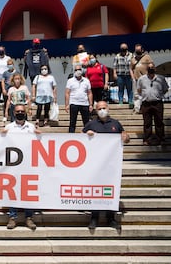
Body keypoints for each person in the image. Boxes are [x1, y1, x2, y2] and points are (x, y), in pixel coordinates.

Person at [83, 101, 130, 229]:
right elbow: (80, 141)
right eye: (99, 109)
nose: (102, 110)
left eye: (104, 108)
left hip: (111, 165)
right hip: (96, 164)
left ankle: (111, 218)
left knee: (111, 190)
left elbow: (126, 137)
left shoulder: (115, 124)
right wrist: (87, 135)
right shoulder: (91, 124)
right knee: (95, 190)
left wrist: (125, 137)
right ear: (96, 111)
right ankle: (94, 217)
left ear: (108, 108)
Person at [1, 104, 41, 230]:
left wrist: (39, 135)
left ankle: (29, 217)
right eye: (17, 111)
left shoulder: (31, 127)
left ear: (26, 112)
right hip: (13, 165)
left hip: (28, 164)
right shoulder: (9, 127)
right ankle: (13, 217)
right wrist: (0, 135)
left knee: (27, 191)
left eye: (22, 111)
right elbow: (0, 143)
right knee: (13, 191)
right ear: (14, 112)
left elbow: (40, 143)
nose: (20, 113)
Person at [137, 63, 169, 146]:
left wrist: (158, 95)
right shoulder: (141, 79)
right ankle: (147, 139)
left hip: (157, 103)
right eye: (149, 67)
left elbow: (165, 89)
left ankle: (161, 138)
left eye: (152, 67)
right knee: (147, 122)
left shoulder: (161, 78)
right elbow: (139, 90)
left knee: (159, 121)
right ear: (146, 69)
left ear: (155, 69)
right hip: (146, 103)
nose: (151, 69)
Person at [65, 65, 93, 133]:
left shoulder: (86, 81)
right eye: (76, 70)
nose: (78, 71)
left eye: (79, 69)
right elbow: (67, 93)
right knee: (72, 122)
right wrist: (67, 104)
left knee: (86, 122)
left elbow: (89, 93)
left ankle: (87, 137)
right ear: (74, 71)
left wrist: (91, 104)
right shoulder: (70, 81)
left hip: (84, 103)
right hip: (74, 103)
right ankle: (71, 136)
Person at [130, 44, 153, 114]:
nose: (137, 52)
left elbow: (151, 65)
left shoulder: (147, 57)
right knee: (136, 95)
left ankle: (147, 108)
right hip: (136, 79)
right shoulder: (133, 59)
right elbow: (130, 69)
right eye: (136, 50)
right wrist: (132, 77)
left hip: (145, 79)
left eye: (138, 50)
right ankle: (137, 109)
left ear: (142, 50)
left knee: (146, 94)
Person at [113, 43, 133, 108]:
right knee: (120, 89)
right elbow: (114, 66)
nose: (123, 49)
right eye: (122, 48)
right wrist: (114, 73)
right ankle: (120, 101)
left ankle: (130, 101)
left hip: (128, 75)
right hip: (120, 75)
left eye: (124, 48)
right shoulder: (117, 56)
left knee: (129, 89)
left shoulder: (131, 55)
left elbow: (133, 65)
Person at [1, 59, 18, 123]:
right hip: (7, 90)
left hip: (14, 90)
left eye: (10, 64)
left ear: (13, 65)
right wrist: (3, 89)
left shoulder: (16, 72)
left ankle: (14, 116)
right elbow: (2, 81)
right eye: (8, 64)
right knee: (6, 103)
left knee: (14, 104)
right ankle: (5, 116)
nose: (9, 66)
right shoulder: (5, 73)